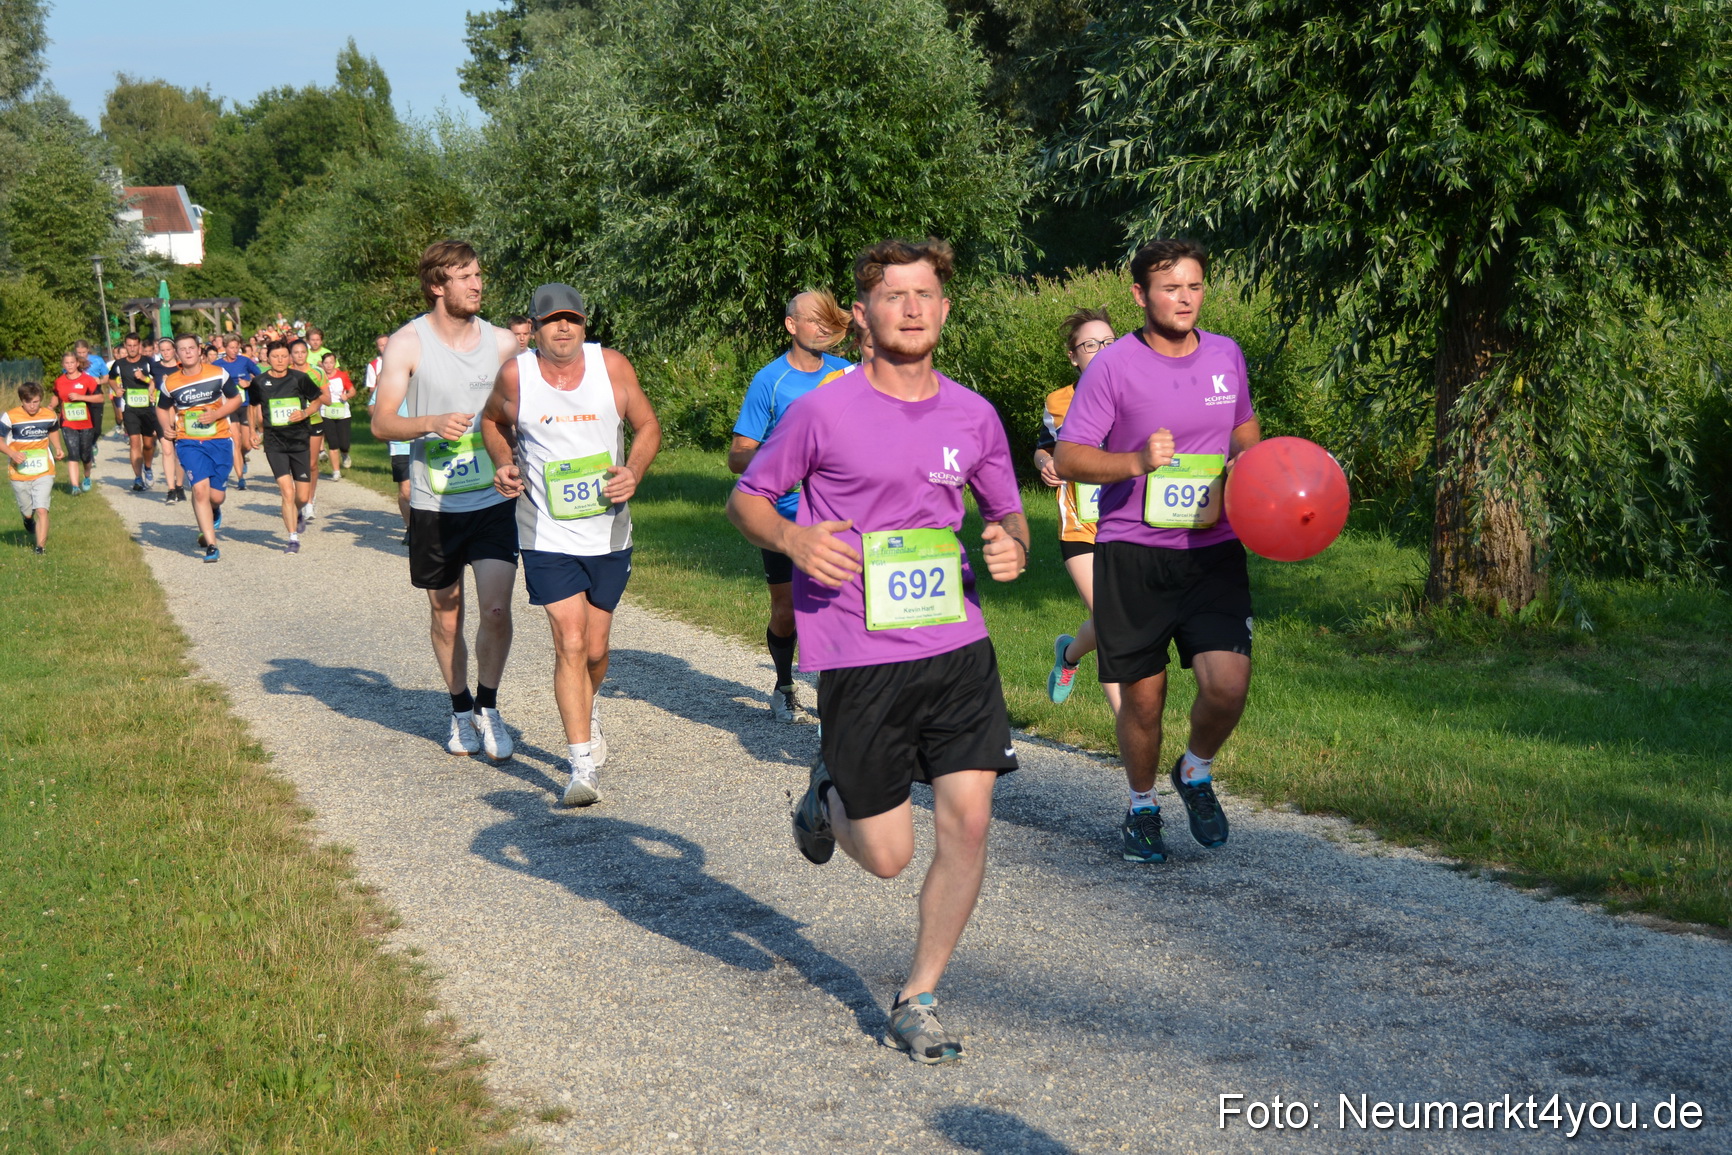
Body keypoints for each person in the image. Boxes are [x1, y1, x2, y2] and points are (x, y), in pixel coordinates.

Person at [727, 238, 1028, 1064]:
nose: (912, 308)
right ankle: (825, 797)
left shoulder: (974, 414)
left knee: (969, 820)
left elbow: (1007, 513)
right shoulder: (823, 410)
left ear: (945, 309)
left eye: (926, 294)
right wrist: (793, 537)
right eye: (895, 295)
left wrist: (1012, 543)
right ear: (863, 314)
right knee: (890, 856)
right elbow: (747, 498)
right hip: (861, 653)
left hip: (957, 644)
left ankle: (918, 995)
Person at [1053, 239, 1260, 864]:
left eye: (1195, 286)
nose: (1186, 299)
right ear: (1140, 295)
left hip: (1213, 547)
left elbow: (1244, 432)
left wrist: (1252, 467)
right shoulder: (1113, 366)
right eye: (1172, 288)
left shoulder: (1226, 355)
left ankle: (1194, 770)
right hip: (1134, 552)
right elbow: (1070, 456)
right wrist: (1136, 461)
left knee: (1228, 686)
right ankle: (1142, 807)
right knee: (1144, 702)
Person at [481, 284, 661, 806]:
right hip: (546, 531)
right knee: (572, 640)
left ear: (583, 324)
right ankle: (580, 766)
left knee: (597, 650)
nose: (564, 328)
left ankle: (589, 702)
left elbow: (648, 425)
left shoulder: (613, 367)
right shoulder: (516, 375)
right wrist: (503, 462)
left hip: (608, 531)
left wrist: (633, 471)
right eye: (553, 321)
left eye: (573, 320)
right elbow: (491, 421)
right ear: (534, 328)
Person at [370, 239, 521, 761]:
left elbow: (527, 405)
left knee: (496, 609)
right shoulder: (407, 343)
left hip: (492, 498)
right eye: (465, 276)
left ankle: (488, 706)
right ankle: (459, 710)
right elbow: (381, 422)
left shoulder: (503, 342)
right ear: (438, 285)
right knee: (447, 613)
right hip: (435, 502)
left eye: (478, 274)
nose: (477, 284)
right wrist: (431, 422)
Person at [727, 289, 850, 721]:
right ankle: (783, 685)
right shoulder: (771, 380)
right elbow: (737, 456)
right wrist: (786, 459)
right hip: (785, 513)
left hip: (838, 511)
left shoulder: (845, 373)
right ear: (791, 325)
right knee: (787, 611)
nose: (822, 327)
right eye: (813, 320)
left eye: (827, 319)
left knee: (840, 607)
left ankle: (838, 705)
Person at [1035, 308, 1124, 715]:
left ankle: (1069, 654)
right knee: (1110, 621)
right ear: (1073, 356)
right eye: (1090, 345)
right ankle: (1128, 727)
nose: (1102, 350)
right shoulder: (1058, 401)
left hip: (1129, 524)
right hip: (1080, 528)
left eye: (1108, 342)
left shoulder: (1138, 392)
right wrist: (1045, 464)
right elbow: (1044, 448)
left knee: (1123, 621)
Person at [156, 332, 244, 562]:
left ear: (199, 350)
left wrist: (216, 414)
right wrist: (166, 427)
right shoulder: (170, 382)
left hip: (219, 439)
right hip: (189, 442)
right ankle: (212, 545)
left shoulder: (218, 373)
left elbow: (236, 399)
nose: (187, 352)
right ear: (177, 354)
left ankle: (214, 510)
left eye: (191, 348)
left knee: (217, 496)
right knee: (199, 490)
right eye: (182, 349)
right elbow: (161, 407)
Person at [248, 340, 325, 553]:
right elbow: (252, 406)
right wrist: (252, 431)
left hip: (299, 441)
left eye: (283, 356)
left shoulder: (299, 378)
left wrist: (305, 413)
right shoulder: (259, 382)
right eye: (275, 357)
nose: (280, 360)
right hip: (275, 443)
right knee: (287, 492)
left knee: (302, 496)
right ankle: (292, 538)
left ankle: (297, 512)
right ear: (268, 358)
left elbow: (318, 400)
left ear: (289, 358)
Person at [2, 381, 64, 554]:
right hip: (19, 471)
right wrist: (12, 453)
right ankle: (28, 519)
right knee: (28, 511)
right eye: (28, 402)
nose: (32, 406)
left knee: (42, 509)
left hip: (44, 470)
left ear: (40, 400)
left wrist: (58, 447)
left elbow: (53, 430)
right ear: (21, 401)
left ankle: (40, 547)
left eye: (35, 402)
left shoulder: (49, 415)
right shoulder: (10, 417)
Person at [109, 335, 160, 491]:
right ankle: (138, 478)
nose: (132, 348)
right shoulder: (119, 364)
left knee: (148, 444)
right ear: (125, 346)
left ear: (139, 346)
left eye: (134, 345)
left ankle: (148, 468)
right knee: (134, 442)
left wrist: (145, 379)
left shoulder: (148, 362)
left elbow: (157, 380)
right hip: (130, 408)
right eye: (129, 345)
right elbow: (111, 379)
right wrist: (116, 389)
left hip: (147, 408)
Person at [215, 335, 260, 490]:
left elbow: (260, 376)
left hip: (245, 405)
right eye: (231, 347)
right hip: (229, 407)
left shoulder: (244, 361)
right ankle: (241, 479)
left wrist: (249, 383)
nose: (235, 351)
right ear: (225, 347)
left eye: (237, 348)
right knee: (236, 441)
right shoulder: (217, 365)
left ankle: (242, 456)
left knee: (246, 444)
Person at [52, 351, 100, 493]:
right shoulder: (59, 381)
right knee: (73, 453)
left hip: (86, 423)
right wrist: (50, 407)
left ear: (77, 363)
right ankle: (75, 486)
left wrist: (81, 397)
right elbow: (56, 396)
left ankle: (87, 476)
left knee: (85, 455)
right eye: (66, 363)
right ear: (63, 364)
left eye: (72, 362)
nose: (70, 365)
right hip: (68, 422)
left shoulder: (87, 380)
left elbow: (99, 398)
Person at [150, 337, 187, 503]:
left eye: (168, 350)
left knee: (179, 452)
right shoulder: (155, 367)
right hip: (162, 413)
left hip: (179, 413)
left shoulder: (182, 367)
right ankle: (171, 489)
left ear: (174, 350)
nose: (165, 353)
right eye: (162, 350)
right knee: (167, 450)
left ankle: (179, 486)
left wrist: (169, 383)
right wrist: (151, 391)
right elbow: (153, 382)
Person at [317, 352, 355, 480]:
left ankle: (345, 454)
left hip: (343, 413)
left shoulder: (342, 376)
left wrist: (347, 396)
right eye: (326, 363)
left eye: (331, 362)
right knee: (333, 444)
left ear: (335, 363)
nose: (328, 365)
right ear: (322, 364)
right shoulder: (319, 377)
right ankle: (336, 471)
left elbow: (352, 390)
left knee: (344, 444)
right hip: (326, 412)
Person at [73, 339, 108, 444]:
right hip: (79, 393)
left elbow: (106, 378)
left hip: (95, 393)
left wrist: (100, 381)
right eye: (79, 353)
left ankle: (92, 444)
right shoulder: (72, 361)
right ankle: (85, 448)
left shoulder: (97, 360)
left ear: (88, 350)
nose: (81, 355)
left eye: (84, 352)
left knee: (97, 429)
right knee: (82, 426)